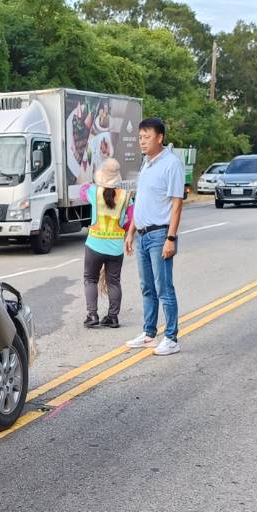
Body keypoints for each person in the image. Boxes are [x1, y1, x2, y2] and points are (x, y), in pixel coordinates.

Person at [123, 118, 185, 357]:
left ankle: (171, 337)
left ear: (160, 137)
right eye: (140, 137)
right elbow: (140, 201)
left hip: (160, 234)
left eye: (146, 137)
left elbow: (177, 204)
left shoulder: (172, 164)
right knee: (146, 287)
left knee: (163, 288)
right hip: (142, 234)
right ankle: (149, 333)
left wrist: (171, 238)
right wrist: (130, 232)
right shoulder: (146, 164)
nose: (142, 141)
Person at [81, 158, 133, 329]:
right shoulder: (126, 196)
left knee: (90, 279)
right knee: (114, 282)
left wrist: (92, 182)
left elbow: (82, 191)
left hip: (95, 244)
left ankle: (92, 314)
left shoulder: (94, 192)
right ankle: (113, 317)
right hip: (115, 247)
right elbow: (131, 220)